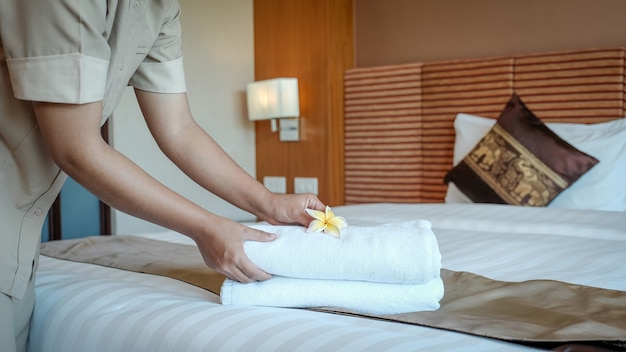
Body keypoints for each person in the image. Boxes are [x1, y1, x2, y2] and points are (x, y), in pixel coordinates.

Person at [0, 1, 325, 351]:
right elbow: (76, 148)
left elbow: (179, 129)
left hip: (21, 235)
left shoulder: (162, 9)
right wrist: (206, 227)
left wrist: (271, 202)